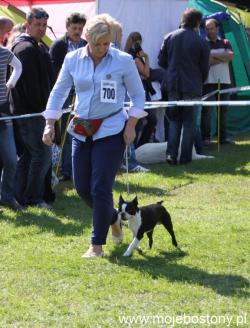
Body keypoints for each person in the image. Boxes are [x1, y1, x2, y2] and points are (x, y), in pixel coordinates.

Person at [42, 14, 146, 258]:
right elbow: (59, 92)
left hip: (111, 130)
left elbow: (139, 96)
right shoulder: (72, 59)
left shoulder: (123, 61)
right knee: (82, 188)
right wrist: (49, 123)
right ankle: (112, 218)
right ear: (86, 38)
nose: (101, 49)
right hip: (81, 130)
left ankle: (96, 245)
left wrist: (131, 124)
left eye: (106, 44)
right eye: (97, 44)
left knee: (100, 187)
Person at [9, 8, 54, 208]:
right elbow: (29, 86)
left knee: (30, 155)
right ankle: (33, 198)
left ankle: (21, 195)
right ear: (28, 25)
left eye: (44, 25)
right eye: (38, 25)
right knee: (41, 154)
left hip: (33, 111)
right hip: (29, 111)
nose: (42, 29)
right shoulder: (25, 48)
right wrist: (43, 109)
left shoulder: (36, 46)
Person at [158, 9, 210, 165]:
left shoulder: (169, 37)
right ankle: (185, 158)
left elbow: (161, 62)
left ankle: (171, 155)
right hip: (192, 87)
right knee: (189, 123)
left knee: (174, 121)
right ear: (196, 23)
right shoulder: (201, 42)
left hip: (173, 86)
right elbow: (204, 68)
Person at [49, 13, 87, 181]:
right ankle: (66, 170)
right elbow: (54, 73)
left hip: (82, 94)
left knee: (81, 130)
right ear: (67, 28)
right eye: (74, 28)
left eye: (80, 28)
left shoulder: (86, 44)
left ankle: (79, 168)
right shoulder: (58, 46)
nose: (77, 31)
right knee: (65, 132)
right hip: (65, 95)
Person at [0, 17, 22, 211]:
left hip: (3, 112)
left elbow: (18, 66)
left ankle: (6, 196)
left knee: (10, 159)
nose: (5, 35)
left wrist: (11, 82)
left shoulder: (4, 53)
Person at [201, 18, 234, 145]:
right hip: (208, 82)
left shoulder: (226, 42)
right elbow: (207, 61)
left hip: (225, 81)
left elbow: (231, 56)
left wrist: (214, 57)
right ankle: (206, 138)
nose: (209, 31)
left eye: (211, 28)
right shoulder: (203, 43)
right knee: (207, 111)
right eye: (207, 29)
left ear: (217, 28)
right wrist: (223, 58)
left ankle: (223, 138)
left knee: (223, 110)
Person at [124, 32, 157, 148]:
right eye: (137, 42)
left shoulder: (128, 55)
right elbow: (146, 73)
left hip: (137, 89)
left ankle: (136, 147)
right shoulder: (134, 57)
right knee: (146, 120)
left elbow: (144, 74)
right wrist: (146, 57)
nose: (138, 44)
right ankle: (138, 146)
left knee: (140, 121)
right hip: (140, 90)